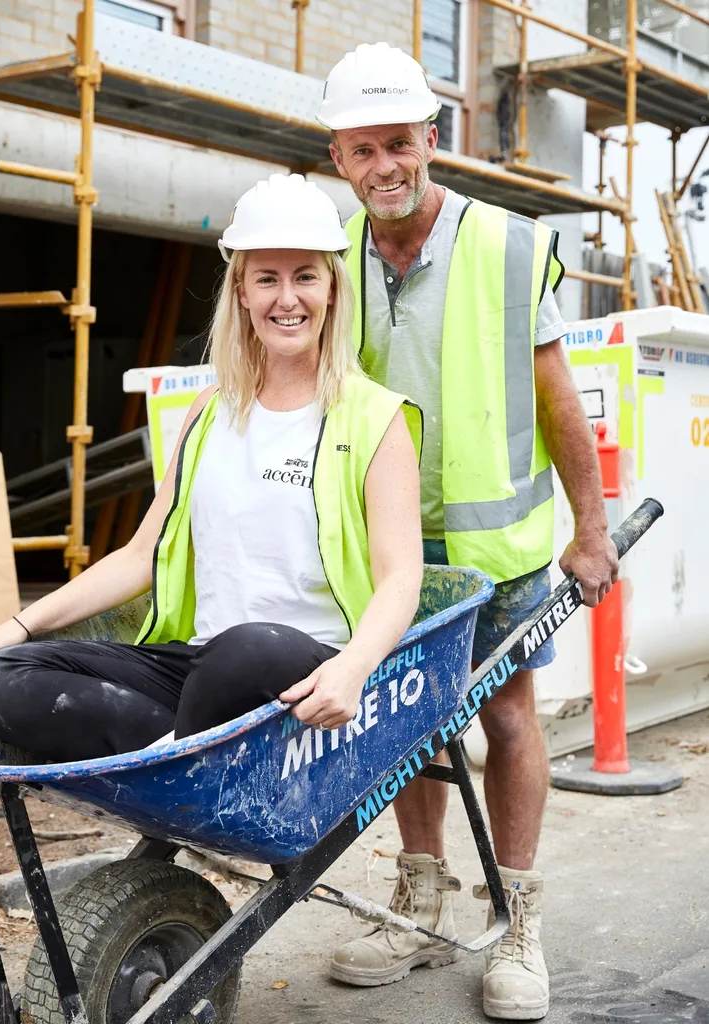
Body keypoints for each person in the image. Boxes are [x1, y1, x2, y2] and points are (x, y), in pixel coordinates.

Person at [316, 43, 619, 1020]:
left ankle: (515, 916)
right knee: (406, 726)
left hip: (496, 546)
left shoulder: (502, 243)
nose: (384, 166)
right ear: (338, 158)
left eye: (398, 143)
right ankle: (416, 898)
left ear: (430, 140)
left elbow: (557, 398)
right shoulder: (329, 255)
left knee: (506, 718)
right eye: (362, 149)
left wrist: (591, 528)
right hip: (389, 544)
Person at [0, 172, 424, 767]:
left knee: (248, 647)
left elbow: (401, 578)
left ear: (332, 289)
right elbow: (139, 556)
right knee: (1, 675)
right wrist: (21, 625)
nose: (287, 298)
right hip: (197, 664)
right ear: (242, 292)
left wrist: (352, 670)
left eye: (305, 276)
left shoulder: (374, 419)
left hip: (305, 670)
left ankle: (174, 759)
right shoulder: (210, 410)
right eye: (267, 279)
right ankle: (180, 758)